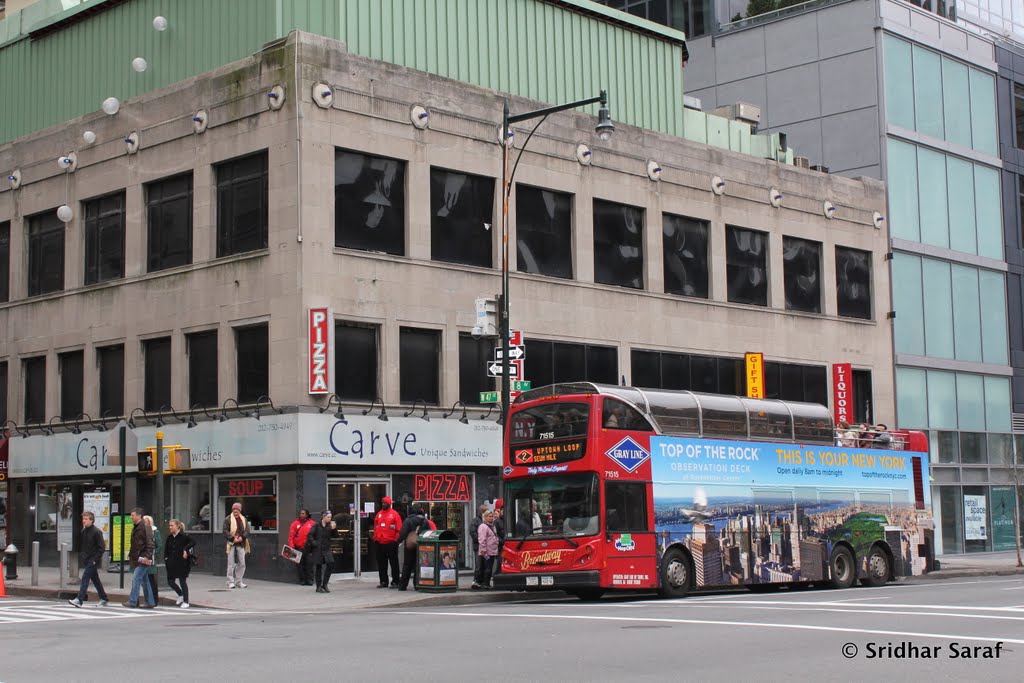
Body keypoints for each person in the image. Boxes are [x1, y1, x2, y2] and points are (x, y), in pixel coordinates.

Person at [68, 511, 109, 608]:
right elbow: (83, 546)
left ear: (92, 520)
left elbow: (101, 547)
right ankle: (104, 598)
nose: (84, 521)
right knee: (95, 580)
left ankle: (79, 599)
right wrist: (83, 556)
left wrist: (95, 559)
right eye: (83, 519)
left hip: (92, 560)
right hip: (86, 559)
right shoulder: (84, 531)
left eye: (86, 519)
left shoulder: (97, 532)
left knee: (85, 578)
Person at [123, 507, 156, 609]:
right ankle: (150, 602)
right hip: (138, 557)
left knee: (136, 579)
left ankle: (133, 601)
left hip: (143, 558)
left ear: (139, 516)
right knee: (144, 580)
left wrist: (146, 556)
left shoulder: (145, 527)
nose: (131, 517)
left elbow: (150, 544)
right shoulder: (137, 527)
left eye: (132, 515)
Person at [396, 506, 431, 591]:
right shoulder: (425, 521)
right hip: (421, 546)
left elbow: (403, 533)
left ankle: (403, 585)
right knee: (418, 565)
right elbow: (429, 533)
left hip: (410, 545)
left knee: (407, 565)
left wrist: (398, 541)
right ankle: (417, 584)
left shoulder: (408, 520)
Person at [164, 518, 196, 609]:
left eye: (172, 525)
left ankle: (186, 601)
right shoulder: (169, 537)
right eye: (169, 525)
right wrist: (166, 559)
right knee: (170, 581)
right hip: (171, 563)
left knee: (182, 581)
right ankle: (180, 594)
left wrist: (185, 549)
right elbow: (166, 550)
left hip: (183, 563)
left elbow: (193, 542)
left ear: (178, 526)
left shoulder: (184, 536)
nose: (170, 527)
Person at [371, 495, 402, 588]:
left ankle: (396, 581)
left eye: (385, 503)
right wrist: (375, 537)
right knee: (381, 563)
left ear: (389, 504)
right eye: (382, 503)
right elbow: (375, 526)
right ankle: (383, 581)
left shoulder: (394, 514)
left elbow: (399, 528)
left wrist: (396, 540)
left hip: (391, 542)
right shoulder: (379, 514)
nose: (383, 504)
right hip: (379, 541)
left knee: (394, 563)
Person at [307, 510, 337, 593]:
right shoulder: (316, 525)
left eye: (330, 517)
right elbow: (310, 535)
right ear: (323, 516)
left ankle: (325, 584)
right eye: (328, 517)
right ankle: (318, 586)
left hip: (326, 549)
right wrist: (315, 543)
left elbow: (335, 536)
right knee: (319, 567)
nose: (329, 519)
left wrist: (334, 529)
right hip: (318, 549)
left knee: (331, 564)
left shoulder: (329, 525)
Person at [223, 502, 250, 589]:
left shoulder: (244, 519)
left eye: (237, 509)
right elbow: (225, 531)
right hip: (231, 543)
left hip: (241, 543)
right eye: (234, 509)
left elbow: (247, 531)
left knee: (242, 563)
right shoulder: (228, 519)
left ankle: (239, 581)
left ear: (240, 510)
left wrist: (242, 537)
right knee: (230, 563)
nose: (235, 511)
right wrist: (232, 538)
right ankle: (230, 582)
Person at [287, 509, 317, 586]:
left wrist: (314, 544)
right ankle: (302, 580)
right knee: (300, 566)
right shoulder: (294, 524)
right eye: (300, 513)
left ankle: (310, 580)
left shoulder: (313, 523)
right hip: (298, 548)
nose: (301, 515)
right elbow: (291, 537)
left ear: (307, 514)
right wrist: (292, 547)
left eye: (303, 513)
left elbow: (316, 535)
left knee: (309, 565)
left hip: (309, 548)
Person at [472, 510, 499, 590]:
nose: (491, 518)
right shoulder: (483, 527)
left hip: (492, 550)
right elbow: (482, 539)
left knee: (489, 567)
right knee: (487, 567)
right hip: (486, 551)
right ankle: (485, 583)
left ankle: (485, 582)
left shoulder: (492, 526)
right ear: (485, 517)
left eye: (492, 516)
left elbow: (494, 536)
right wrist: (483, 550)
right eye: (490, 516)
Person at [143, 515, 161, 603]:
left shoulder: (155, 532)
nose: (145, 523)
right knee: (143, 581)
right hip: (142, 559)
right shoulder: (141, 532)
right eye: (144, 522)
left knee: (151, 580)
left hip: (151, 560)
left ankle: (154, 599)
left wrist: (153, 554)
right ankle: (148, 599)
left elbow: (159, 546)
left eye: (147, 522)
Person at [493, 499, 506, 576]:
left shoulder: (508, 521)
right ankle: (497, 574)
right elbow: (495, 534)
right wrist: (501, 541)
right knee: (499, 560)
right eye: (502, 511)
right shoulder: (497, 522)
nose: (503, 512)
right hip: (500, 546)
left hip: (507, 545)